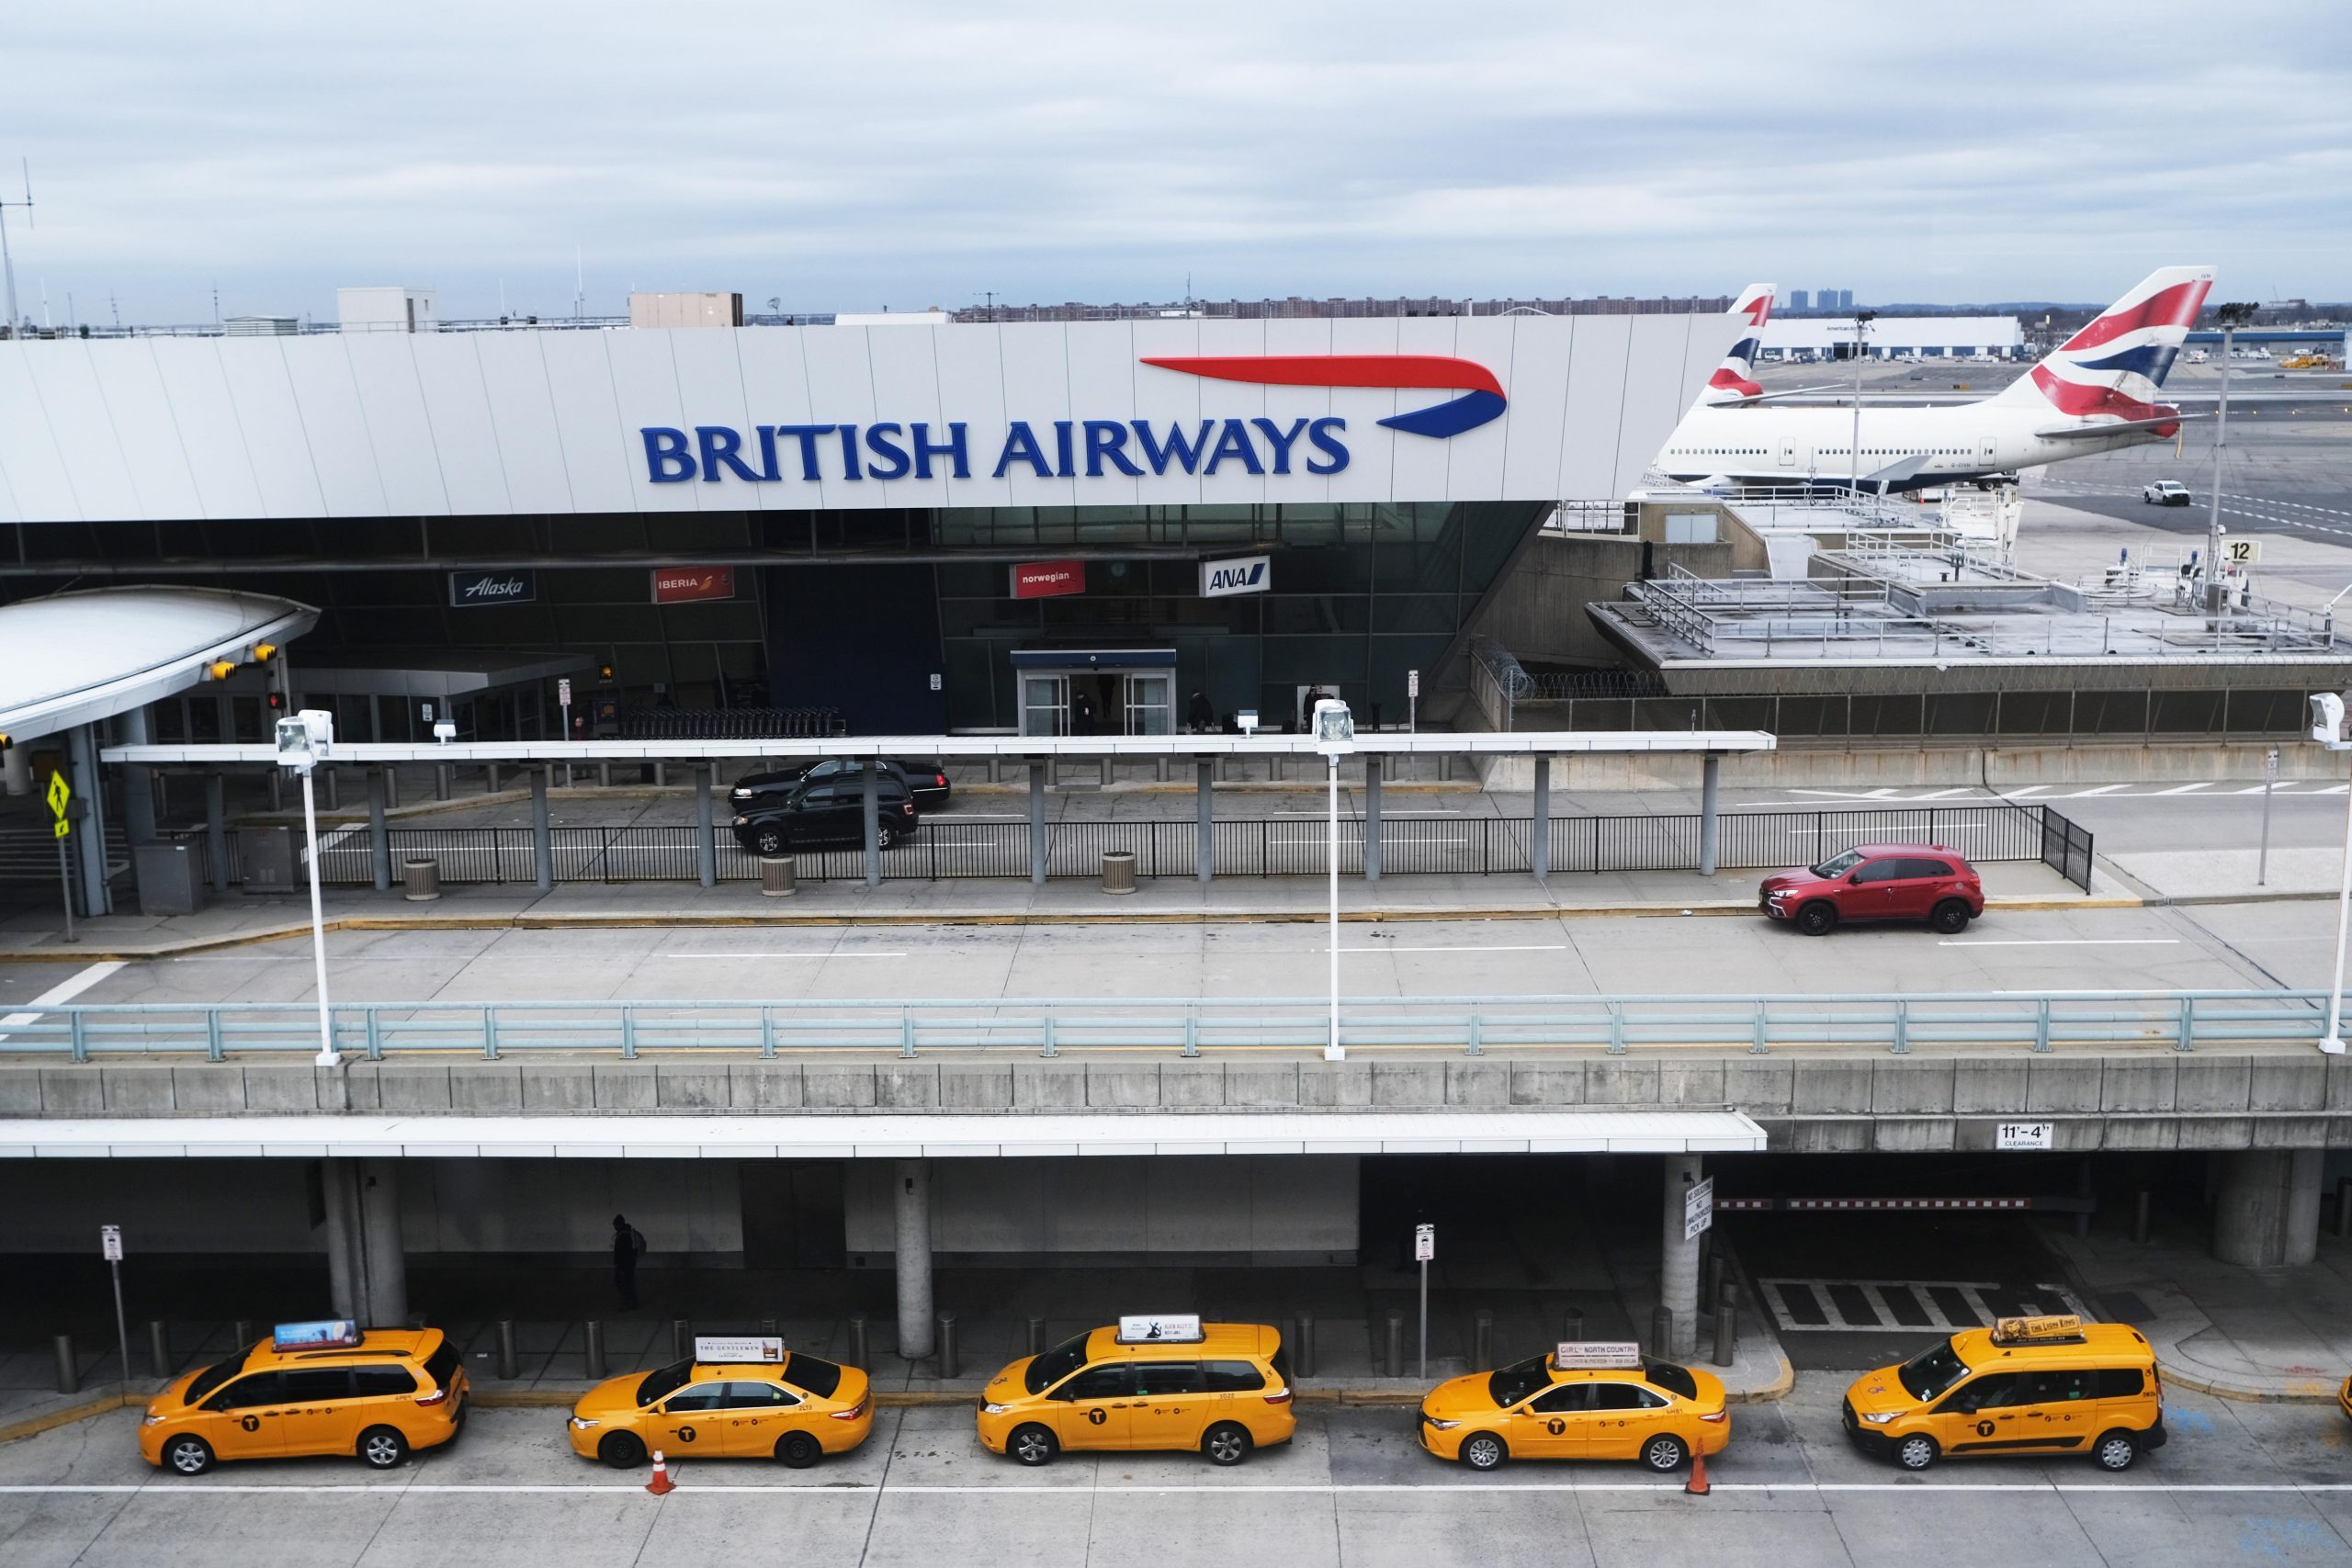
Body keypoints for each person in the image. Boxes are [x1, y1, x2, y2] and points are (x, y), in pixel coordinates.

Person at [612, 1213, 647, 1310]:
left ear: (618, 1224)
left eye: (615, 1225)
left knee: (623, 1285)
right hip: (630, 1263)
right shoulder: (628, 1233)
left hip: (624, 1265)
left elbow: (622, 1253)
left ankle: (626, 1304)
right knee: (630, 1284)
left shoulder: (623, 1235)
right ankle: (633, 1304)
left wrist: (619, 1267)